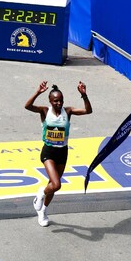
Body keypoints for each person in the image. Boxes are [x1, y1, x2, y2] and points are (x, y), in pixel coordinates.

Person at [25, 80, 92, 226]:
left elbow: (88, 111)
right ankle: (40, 194)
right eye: (55, 101)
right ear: (50, 101)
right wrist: (38, 92)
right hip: (48, 152)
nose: (59, 103)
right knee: (56, 184)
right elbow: (27, 106)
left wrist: (84, 95)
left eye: (61, 101)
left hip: (62, 152)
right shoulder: (44, 111)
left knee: (53, 185)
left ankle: (43, 211)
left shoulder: (67, 112)